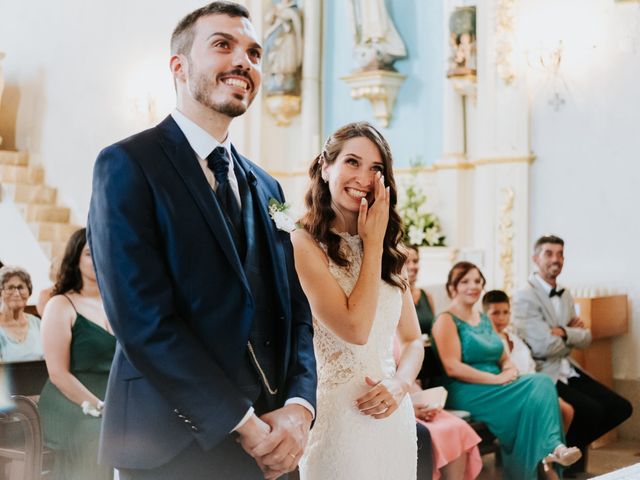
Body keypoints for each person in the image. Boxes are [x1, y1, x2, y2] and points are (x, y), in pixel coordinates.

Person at [87, 3, 317, 480]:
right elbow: (142, 320)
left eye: (254, 53)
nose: (244, 61)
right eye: (223, 45)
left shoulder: (271, 189)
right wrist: (243, 423)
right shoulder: (128, 164)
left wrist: (299, 406)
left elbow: (296, 309)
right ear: (179, 66)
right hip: (170, 443)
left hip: (272, 444)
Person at [292, 121, 423, 479]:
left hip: (393, 420)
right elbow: (355, 328)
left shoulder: (391, 251)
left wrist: (400, 385)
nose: (363, 178)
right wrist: (373, 245)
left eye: (376, 168)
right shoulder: (303, 244)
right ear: (326, 166)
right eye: (352, 162)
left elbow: (412, 341)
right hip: (338, 423)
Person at [431, 261, 582, 480]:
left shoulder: (483, 318)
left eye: (477, 281)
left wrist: (509, 369)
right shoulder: (446, 320)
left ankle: (551, 454)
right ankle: (551, 454)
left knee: (539, 391)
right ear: (452, 288)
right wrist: (496, 379)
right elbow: (453, 367)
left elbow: (502, 356)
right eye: (465, 281)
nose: (473, 286)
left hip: (498, 384)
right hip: (467, 390)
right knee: (540, 383)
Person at [512, 235, 633, 473]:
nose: (555, 260)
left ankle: (560, 456)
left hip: (567, 366)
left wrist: (562, 333)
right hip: (544, 372)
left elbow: (586, 338)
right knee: (592, 411)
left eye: (560, 254)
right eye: (549, 254)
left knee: (621, 407)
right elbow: (541, 347)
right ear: (536, 258)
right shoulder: (524, 296)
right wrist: (572, 334)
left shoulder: (565, 294)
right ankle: (560, 461)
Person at [38, 228, 116, 480]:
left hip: (112, 396)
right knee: (97, 433)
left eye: (102, 252)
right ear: (75, 259)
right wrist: (99, 406)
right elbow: (58, 374)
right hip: (71, 401)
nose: (97, 259)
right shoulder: (60, 304)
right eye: (89, 253)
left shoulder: (116, 303)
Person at [483, 289, 574, 433]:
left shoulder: (514, 338)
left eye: (505, 312)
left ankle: (554, 450)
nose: (501, 318)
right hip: (511, 390)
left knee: (566, 411)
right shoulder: (488, 342)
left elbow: (530, 365)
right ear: (485, 315)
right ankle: (545, 448)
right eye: (495, 313)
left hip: (532, 385)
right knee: (555, 410)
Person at [0, 265, 43, 362]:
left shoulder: (37, 323)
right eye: (10, 288)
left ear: (29, 292)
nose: (16, 293)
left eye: (21, 287)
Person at [404, 244, 437, 337]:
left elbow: (434, 330)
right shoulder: (395, 297)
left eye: (415, 261)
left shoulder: (427, 295)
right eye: (406, 262)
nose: (412, 266)